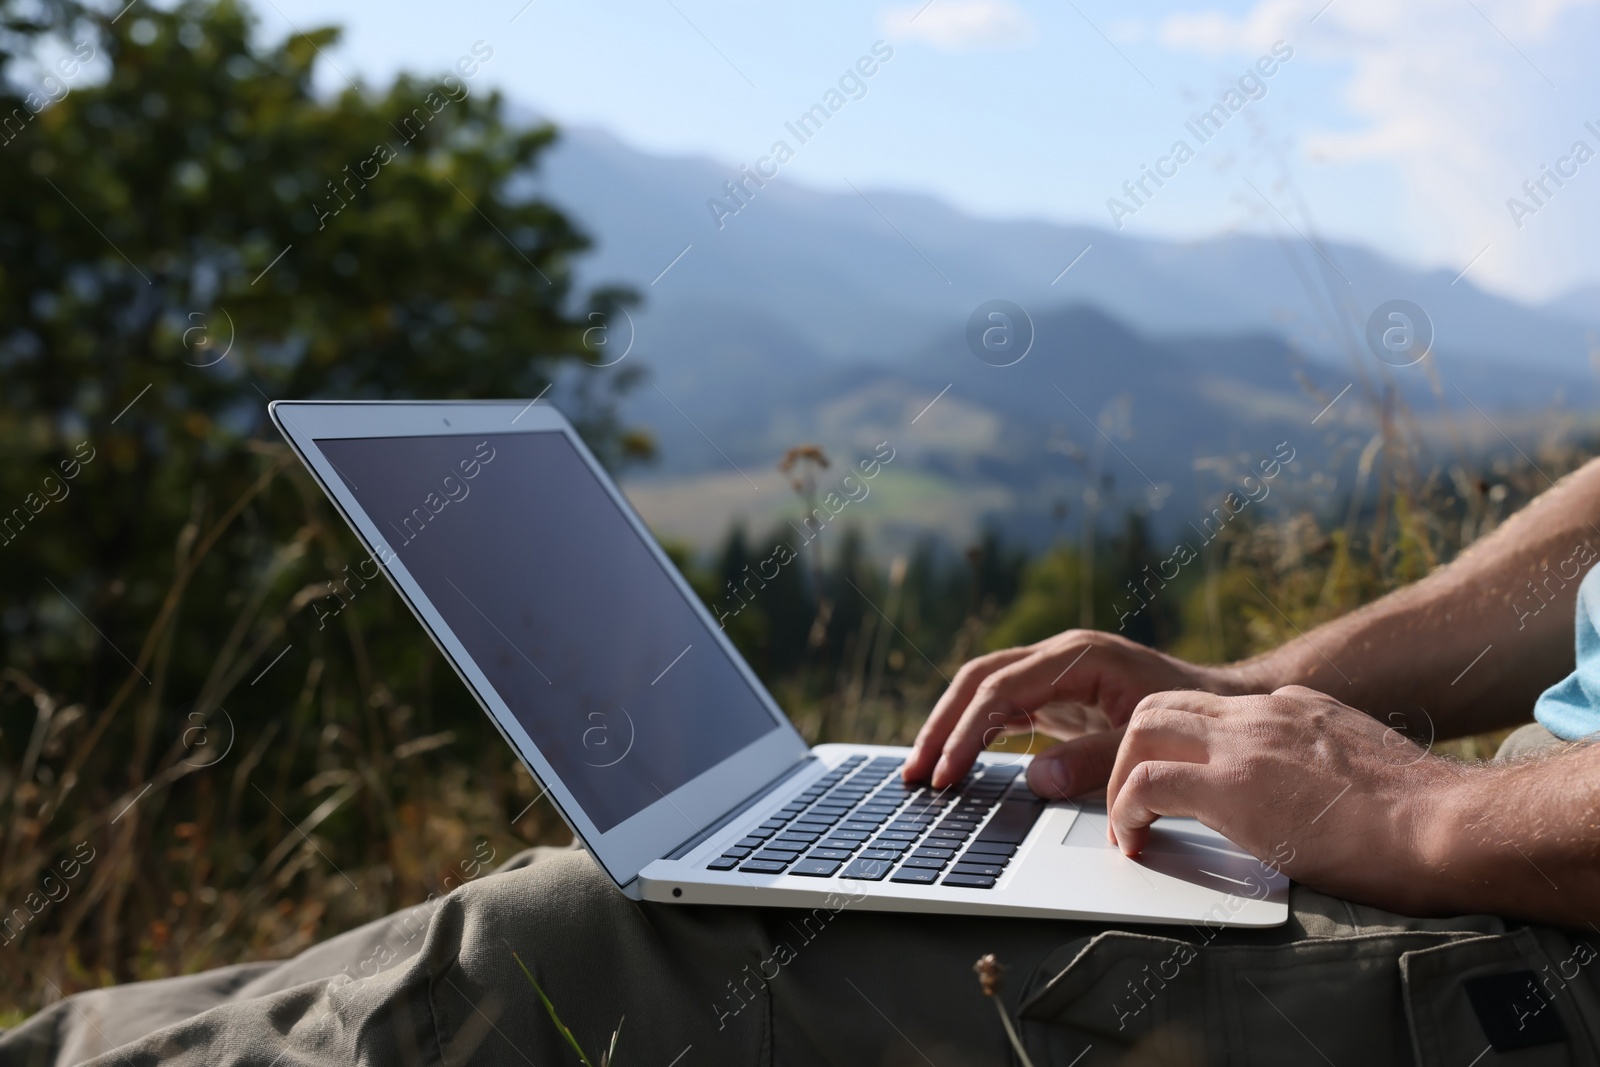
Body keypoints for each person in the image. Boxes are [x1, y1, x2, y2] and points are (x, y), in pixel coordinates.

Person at [6, 461, 1600, 1066]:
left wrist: (1435, 812)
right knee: (535, 921)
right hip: (1525, 824)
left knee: (563, 950)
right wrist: (1241, 700)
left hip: (1544, 925)